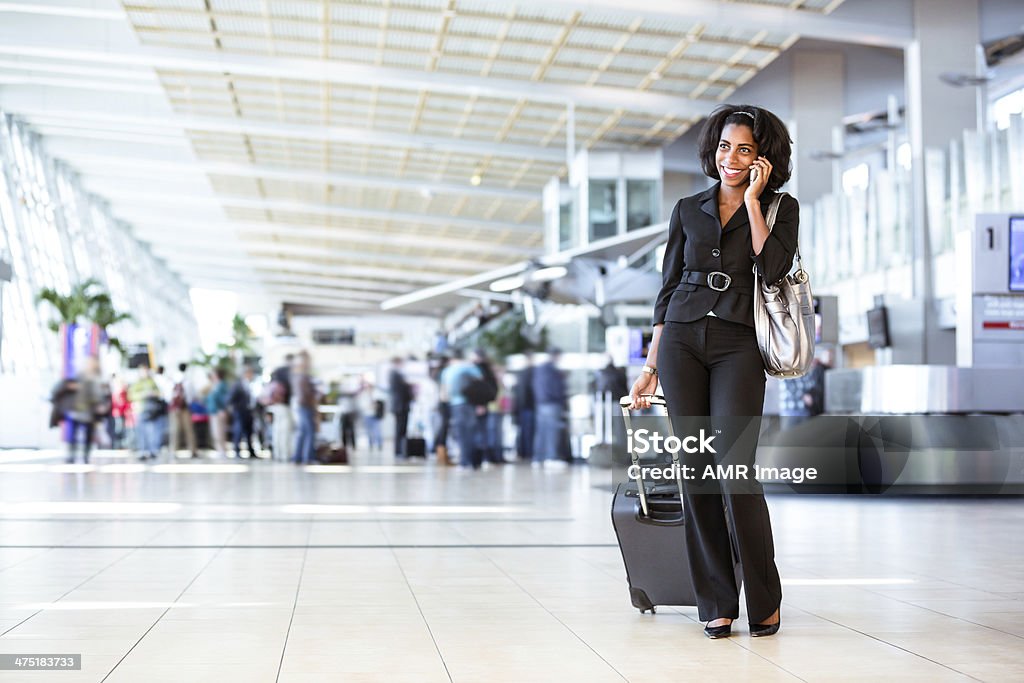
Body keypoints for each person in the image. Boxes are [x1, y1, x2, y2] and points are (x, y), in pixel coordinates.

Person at [629, 104, 795, 640]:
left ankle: (764, 597)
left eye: (744, 149)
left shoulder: (781, 208)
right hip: (680, 339)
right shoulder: (687, 208)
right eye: (725, 147)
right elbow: (667, 287)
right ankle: (716, 602)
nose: (731, 158)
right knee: (697, 472)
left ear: (763, 158)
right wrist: (650, 365)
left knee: (735, 471)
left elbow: (772, 270)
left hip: (738, 343)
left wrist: (751, 204)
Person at [440, 349, 484, 469]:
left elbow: (444, 393)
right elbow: (480, 382)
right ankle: (473, 461)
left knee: (460, 433)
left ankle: (465, 461)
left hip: (455, 405)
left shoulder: (447, 371)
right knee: (471, 432)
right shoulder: (468, 367)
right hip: (470, 403)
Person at [532, 348, 568, 465]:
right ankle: (551, 457)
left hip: (541, 404)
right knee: (553, 432)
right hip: (552, 404)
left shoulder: (540, 369)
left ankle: (538, 458)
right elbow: (554, 388)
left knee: (542, 432)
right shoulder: (551, 371)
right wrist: (560, 398)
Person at [129, 364, 163, 460]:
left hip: (152, 410)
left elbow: (159, 393)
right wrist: (143, 394)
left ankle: (152, 450)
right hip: (140, 410)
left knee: (152, 431)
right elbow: (131, 396)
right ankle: (142, 451)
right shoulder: (136, 383)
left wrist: (153, 393)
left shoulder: (152, 382)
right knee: (141, 432)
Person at [291, 351, 317, 464]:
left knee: (302, 432)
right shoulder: (303, 376)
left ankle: (297, 457)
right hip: (305, 406)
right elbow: (306, 394)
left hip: (301, 406)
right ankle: (308, 458)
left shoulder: (297, 375)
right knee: (309, 432)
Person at [267, 354, 294, 461]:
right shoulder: (289, 372)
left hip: (274, 405)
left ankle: (277, 453)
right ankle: (285, 454)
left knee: (276, 429)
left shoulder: (276, 371)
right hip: (285, 404)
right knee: (285, 431)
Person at [169, 362, 198, 457]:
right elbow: (193, 395)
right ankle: (192, 450)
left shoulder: (172, 379)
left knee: (175, 430)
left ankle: (173, 450)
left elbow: (168, 395)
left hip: (174, 409)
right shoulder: (188, 380)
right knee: (189, 430)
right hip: (185, 408)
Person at [229, 366, 258, 458]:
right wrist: (235, 409)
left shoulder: (251, 384)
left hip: (249, 411)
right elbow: (231, 399)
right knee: (238, 431)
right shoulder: (238, 385)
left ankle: (251, 451)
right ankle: (237, 451)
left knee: (249, 432)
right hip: (240, 412)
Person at [388, 357, 413, 459]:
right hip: (400, 406)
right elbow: (402, 391)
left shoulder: (395, 374)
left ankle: (401, 450)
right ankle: (399, 451)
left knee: (401, 429)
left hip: (401, 406)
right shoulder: (395, 374)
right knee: (400, 429)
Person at [513, 353, 535, 461]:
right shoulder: (528, 373)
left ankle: (524, 453)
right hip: (527, 408)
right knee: (527, 432)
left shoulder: (522, 374)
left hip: (524, 408)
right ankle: (527, 453)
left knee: (525, 432)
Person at [205, 368, 229, 458]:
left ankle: (222, 450)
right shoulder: (213, 385)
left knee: (220, 432)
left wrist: (222, 409)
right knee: (215, 432)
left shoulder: (222, 385)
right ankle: (219, 449)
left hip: (219, 411)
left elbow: (223, 399)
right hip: (213, 411)